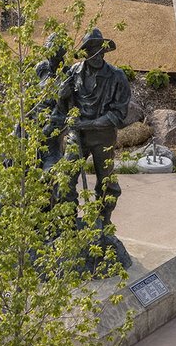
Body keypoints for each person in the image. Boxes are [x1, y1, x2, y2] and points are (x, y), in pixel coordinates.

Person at [49, 27, 133, 266]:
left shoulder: (116, 77)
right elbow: (61, 108)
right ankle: (68, 224)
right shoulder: (74, 72)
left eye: (99, 49)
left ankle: (103, 221)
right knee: (65, 177)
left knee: (106, 181)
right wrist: (61, 95)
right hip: (77, 136)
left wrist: (89, 123)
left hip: (102, 136)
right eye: (91, 50)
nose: (96, 54)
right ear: (85, 53)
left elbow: (119, 114)